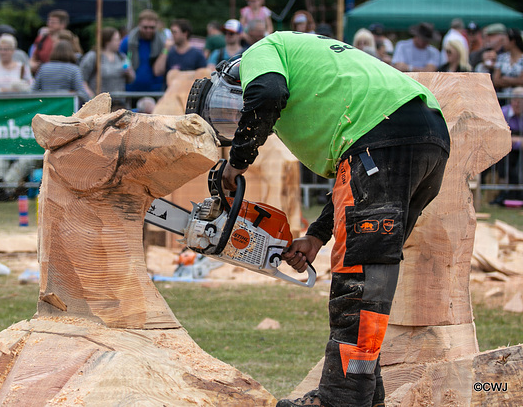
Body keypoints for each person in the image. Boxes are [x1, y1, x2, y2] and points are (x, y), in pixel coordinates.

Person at [190, 31, 450, 407]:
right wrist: (315, 236)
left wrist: (237, 162)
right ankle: (363, 395)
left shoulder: (264, 50)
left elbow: (265, 94)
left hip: (380, 140)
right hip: (424, 137)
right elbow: (355, 181)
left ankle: (339, 399)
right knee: (372, 275)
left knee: (357, 283)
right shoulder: (309, 61)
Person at [80, 26, 135, 108]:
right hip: (99, 104)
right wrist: (90, 96)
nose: (120, 42)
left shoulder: (121, 57)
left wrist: (129, 73)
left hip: (119, 103)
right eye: (116, 39)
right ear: (107, 41)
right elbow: (82, 78)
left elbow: (131, 79)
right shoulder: (94, 56)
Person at [119, 9, 167, 93]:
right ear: (139, 25)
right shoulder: (128, 42)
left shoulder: (162, 43)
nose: (148, 30)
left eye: (152, 28)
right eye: (145, 27)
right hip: (131, 90)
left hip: (155, 90)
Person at [32, 39, 91, 104]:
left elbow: (34, 91)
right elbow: (82, 94)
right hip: (67, 108)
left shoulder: (44, 68)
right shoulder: (73, 69)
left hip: (46, 107)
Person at [491, 86, 523, 205]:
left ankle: (518, 194)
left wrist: (514, 140)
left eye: (520, 102)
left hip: (519, 151)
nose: (517, 104)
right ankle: (505, 192)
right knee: (503, 161)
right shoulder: (503, 113)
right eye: (515, 101)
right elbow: (496, 135)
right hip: (505, 149)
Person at [30, 9, 70, 74]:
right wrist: (33, 65)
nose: (49, 24)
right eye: (49, 21)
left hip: (61, 74)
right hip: (43, 74)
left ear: (63, 25)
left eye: (53, 22)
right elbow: (33, 58)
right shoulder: (42, 39)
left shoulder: (69, 39)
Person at [492, 28, 523, 94]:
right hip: (503, 98)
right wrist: (516, 81)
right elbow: (496, 80)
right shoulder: (501, 57)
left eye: (505, 40)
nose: (503, 43)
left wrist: (505, 79)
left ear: (512, 42)